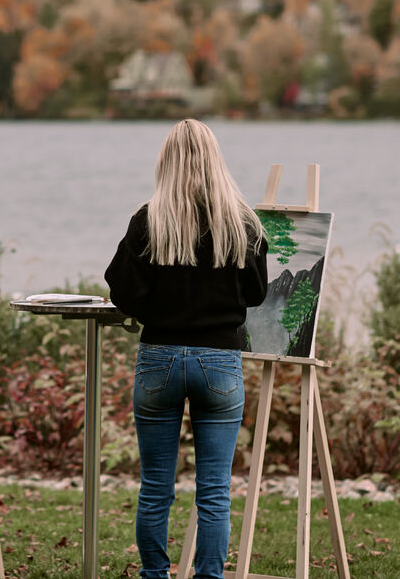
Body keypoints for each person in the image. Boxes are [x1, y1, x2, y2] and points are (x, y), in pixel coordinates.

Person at [104, 120, 269, 579]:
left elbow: (120, 288)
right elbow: (255, 293)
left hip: (159, 357)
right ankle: (209, 576)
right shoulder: (242, 221)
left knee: (156, 486)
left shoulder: (149, 219)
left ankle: (155, 575)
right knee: (214, 490)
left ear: (166, 161)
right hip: (219, 361)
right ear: (216, 159)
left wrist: (153, 304)